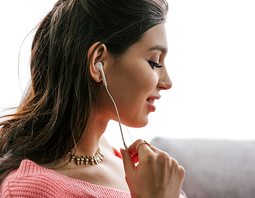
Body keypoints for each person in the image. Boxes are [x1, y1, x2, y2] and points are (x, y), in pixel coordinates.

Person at [0, 0, 186, 197]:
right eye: (154, 61)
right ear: (99, 63)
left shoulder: (121, 160)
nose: (167, 82)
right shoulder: (30, 190)